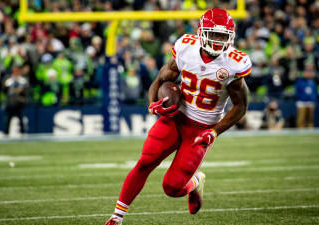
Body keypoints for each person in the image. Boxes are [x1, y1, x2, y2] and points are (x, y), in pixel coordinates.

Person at [105, 8, 251, 225]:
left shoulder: (233, 64)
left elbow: (240, 106)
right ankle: (117, 217)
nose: (219, 41)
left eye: (223, 36)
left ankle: (194, 183)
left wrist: (214, 131)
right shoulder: (186, 48)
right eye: (214, 35)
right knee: (145, 162)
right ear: (202, 32)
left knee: (172, 188)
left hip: (202, 129)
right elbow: (161, 77)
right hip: (176, 117)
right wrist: (153, 103)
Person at [3, 64, 29, 135]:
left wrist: (22, 92)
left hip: (18, 101)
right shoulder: (9, 80)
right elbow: (4, 89)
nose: (16, 73)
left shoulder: (22, 80)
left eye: (17, 71)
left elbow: (26, 90)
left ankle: (23, 132)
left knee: (20, 118)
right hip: (10, 102)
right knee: (8, 118)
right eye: (15, 71)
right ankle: (6, 132)